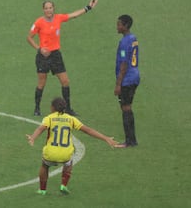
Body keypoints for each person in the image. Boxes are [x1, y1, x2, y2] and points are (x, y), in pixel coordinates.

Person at [26, 97, 117, 195]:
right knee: (69, 162)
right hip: (65, 153)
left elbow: (40, 129)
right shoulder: (71, 119)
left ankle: (42, 190)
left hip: (51, 152)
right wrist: (106, 138)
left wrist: (33, 138)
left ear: (52, 108)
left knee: (45, 165)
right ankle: (63, 185)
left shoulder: (49, 118)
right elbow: (88, 130)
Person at [27, 0, 98, 116]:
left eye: (50, 8)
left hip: (55, 55)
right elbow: (29, 38)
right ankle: (37, 108)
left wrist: (88, 8)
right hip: (43, 57)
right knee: (41, 83)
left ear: (53, 8)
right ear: (43, 10)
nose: (48, 10)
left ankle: (68, 109)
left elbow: (73, 15)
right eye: (46, 8)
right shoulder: (39, 22)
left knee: (65, 81)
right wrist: (39, 49)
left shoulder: (59, 18)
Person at [113, 15, 140, 148]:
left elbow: (124, 64)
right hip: (135, 76)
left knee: (126, 108)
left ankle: (129, 141)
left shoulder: (124, 42)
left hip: (127, 79)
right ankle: (131, 140)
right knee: (127, 107)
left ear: (125, 26)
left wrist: (118, 84)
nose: (117, 27)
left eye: (119, 24)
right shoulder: (133, 38)